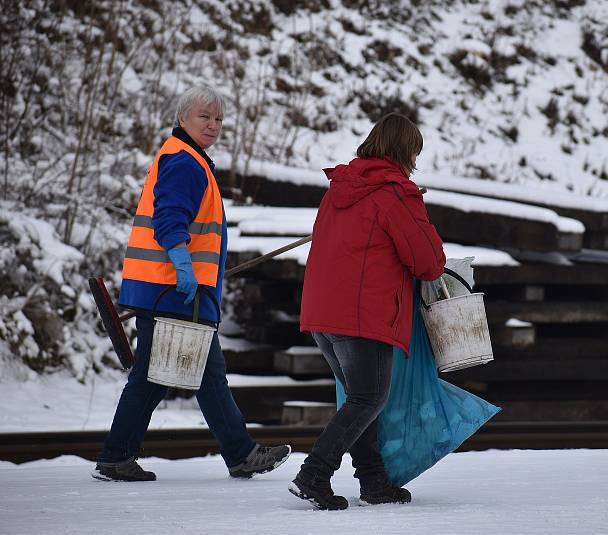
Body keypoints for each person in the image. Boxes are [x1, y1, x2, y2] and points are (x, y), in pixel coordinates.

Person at [92, 86, 291, 482]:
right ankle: (236, 454)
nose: (214, 125)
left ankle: (233, 453)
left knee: (174, 374)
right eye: (205, 117)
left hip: (172, 290)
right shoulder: (184, 161)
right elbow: (169, 219)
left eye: (218, 119)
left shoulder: (189, 158)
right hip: (174, 290)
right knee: (184, 373)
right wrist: (183, 264)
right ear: (183, 118)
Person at [290, 113, 446, 509]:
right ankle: (314, 473)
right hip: (362, 314)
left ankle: (374, 483)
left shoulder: (341, 187)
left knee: (363, 400)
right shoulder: (394, 194)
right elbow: (428, 262)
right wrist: (419, 213)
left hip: (324, 313)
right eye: (414, 153)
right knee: (367, 398)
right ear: (405, 152)